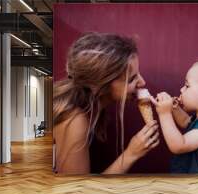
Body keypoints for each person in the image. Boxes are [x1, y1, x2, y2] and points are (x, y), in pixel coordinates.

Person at [53, 32, 160, 174]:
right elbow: (78, 192)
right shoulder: (75, 120)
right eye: (132, 79)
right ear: (103, 85)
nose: (142, 82)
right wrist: (131, 154)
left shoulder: (94, 107)